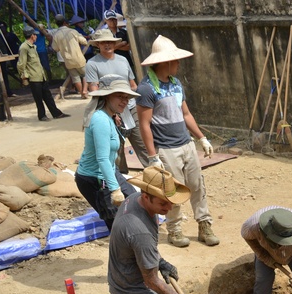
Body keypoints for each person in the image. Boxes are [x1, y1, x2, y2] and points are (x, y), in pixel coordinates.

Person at [108, 166, 201, 294]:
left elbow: (142, 251)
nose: (168, 208)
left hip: (135, 281)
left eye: (170, 202)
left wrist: (161, 262)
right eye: (163, 203)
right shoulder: (138, 230)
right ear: (146, 195)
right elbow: (152, 280)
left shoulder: (134, 200)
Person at [136, 35, 217, 248]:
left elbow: (186, 114)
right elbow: (144, 125)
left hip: (186, 144)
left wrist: (202, 138)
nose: (179, 64)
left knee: (197, 186)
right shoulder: (146, 88)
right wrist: (153, 157)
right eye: (176, 60)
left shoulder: (175, 83)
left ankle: (204, 224)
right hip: (166, 149)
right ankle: (175, 229)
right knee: (172, 191)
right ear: (165, 62)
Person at [75, 76, 139, 230]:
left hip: (110, 170)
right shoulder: (100, 120)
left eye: (127, 97)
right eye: (119, 96)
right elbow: (102, 159)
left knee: (135, 203)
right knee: (119, 224)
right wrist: (114, 189)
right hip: (94, 178)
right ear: (106, 96)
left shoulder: (109, 116)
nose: (124, 101)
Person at [84, 29, 148, 166]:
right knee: (115, 150)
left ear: (114, 43)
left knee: (143, 144)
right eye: (103, 42)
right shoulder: (92, 64)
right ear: (98, 45)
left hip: (130, 107)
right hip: (110, 111)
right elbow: (95, 92)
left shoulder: (123, 60)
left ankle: (156, 177)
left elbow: (133, 85)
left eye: (110, 42)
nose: (107, 45)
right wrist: (111, 113)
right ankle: (120, 182)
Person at [17, 27, 68, 121]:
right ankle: (42, 116)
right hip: (33, 77)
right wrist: (24, 77)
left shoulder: (33, 46)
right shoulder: (24, 47)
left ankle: (56, 113)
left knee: (48, 96)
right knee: (38, 98)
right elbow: (21, 64)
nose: (36, 36)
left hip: (41, 76)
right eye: (35, 35)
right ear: (32, 36)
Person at [51, 14, 89, 99]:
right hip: (78, 57)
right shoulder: (73, 31)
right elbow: (84, 41)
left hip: (67, 59)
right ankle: (85, 91)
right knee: (86, 74)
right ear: (65, 22)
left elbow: (55, 48)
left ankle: (82, 94)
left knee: (75, 77)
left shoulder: (56, 35)